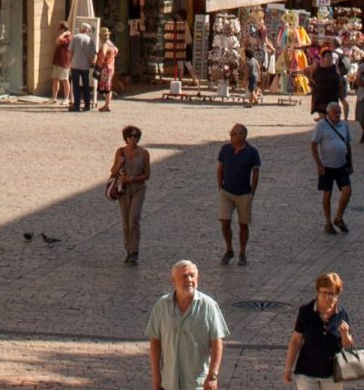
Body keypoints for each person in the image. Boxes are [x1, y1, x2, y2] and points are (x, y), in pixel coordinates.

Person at [145, 259, 227, 390]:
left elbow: (217, 342)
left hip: (198, 385)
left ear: (197, 278)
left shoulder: (208, 306)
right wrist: (156, 377)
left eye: (192, 276)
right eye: (183, 276)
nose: (189, 280)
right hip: (169, 383)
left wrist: (212, 376)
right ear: (174, 281)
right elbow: (155, 341)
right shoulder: (161, 306)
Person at [283, 270, 355, 388]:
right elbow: (296, 341)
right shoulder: (306, 311)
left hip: (333, 374)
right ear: (317, 292)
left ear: (337, 294)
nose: (327, 297)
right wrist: (288, 368)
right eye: (323, 293)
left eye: (331, 294)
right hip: (306, 371)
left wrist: (345, 335)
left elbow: (347, 345)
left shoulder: (342, 314)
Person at [216, 122, 261, 265]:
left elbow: (255, 173)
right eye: (231, 132)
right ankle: (229, 249)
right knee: (225, 221)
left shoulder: (252, 152)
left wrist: (252, 192)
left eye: (234, 133)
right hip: (227, 192)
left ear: (243, 136)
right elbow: (220, 168)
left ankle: (242, 252)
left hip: (243, 193)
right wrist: (220, 187)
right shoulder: (225, 149)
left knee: (243, 224)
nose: (231, 135)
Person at [110, 124, 151, 265]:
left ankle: (135, 251)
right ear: (126, 138)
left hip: (138, 189)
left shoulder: (144, 153)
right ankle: (128, 250)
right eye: (130, 136)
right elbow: (113, 171)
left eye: (135, 136)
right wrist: (119, 164)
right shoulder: (120, 152)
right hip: (124, 190)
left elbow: (147, 175)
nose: (133, 139)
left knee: (134, 220)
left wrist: (132, 178)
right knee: (126, 222)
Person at [312, 102, 354, 234]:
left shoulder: (344, 125)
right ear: (328, 113)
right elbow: (313, 146)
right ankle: (328, 222)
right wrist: (319, 164)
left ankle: (339, 218)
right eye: (335, 112)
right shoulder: (321, 126)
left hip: (341, 164)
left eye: (339, 112)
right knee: (327, 194)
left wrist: (350, 163)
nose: (337, 115)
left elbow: (347, 144)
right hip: (326, 166)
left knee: (347, 190)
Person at [69, 23, 97, 113]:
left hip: (75, 65)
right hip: (85, 66)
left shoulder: (75, 37)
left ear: (81, 29)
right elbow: (92, 56)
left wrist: (70, 62)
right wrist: (90, 63)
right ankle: (87, 105)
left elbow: (70, 51)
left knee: (76, 86)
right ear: (87, 30)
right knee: (86, 86)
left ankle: (76, 106)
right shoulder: (90, 40)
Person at [309, 47, 344, 117]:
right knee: (323, 118)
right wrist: (312, 80)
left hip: (332, 95)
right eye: (327, 56)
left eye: (331, 56)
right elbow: (305, 71)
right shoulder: (317, 67)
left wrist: (341, 93)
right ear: (323, 58)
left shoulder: (335, 67)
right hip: (320, 96)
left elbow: (340, 80)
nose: (330, 58)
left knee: (331, 117)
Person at [97, 32, 120, 112]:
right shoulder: (110, 43)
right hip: (111, 67)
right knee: (108, 86)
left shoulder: (105, 45)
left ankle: (107, 106)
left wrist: (102, 61)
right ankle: (107, 105)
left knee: (106, 87)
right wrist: (111, 58)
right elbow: (116, 50)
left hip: (105, 67)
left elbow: (103, 53)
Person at [50, 26, 72, 106]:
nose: (59, 31)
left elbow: (57, 41)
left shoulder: (69, 38)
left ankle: (66, 98)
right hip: (57, 61)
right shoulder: (63, 36)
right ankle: (54, 97)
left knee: (65, 80)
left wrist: (64, 34)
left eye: (60, 29)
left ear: (63, 29)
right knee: (55, 79)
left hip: (64, 62)